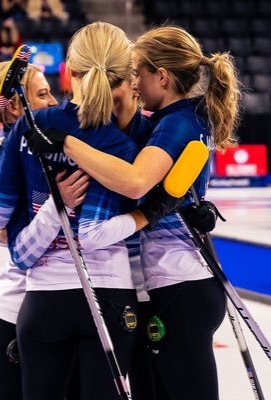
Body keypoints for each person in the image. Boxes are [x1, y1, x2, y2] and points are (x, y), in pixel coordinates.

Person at [30, 25, 242, 400]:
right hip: (174, 281)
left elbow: (135, 182)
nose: (133, 81)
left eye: (138, 72)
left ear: (162, 76)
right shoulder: (178, 117)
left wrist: (68, 144)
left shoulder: (177, 122)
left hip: (179, 283)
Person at [0, 22, 142, 400]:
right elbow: (94, 232)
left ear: (69, 70)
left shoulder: (31, 125)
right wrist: (146, 215)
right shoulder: (121, 140)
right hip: (111, 293)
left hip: (45, 298)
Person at [0, 60, 76, 400]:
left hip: (43, 309)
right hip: (16, 313)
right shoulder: (12, 154)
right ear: (14, 106)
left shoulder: (38, 147)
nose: (53, 103)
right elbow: (0, 226)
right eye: (42, 95)